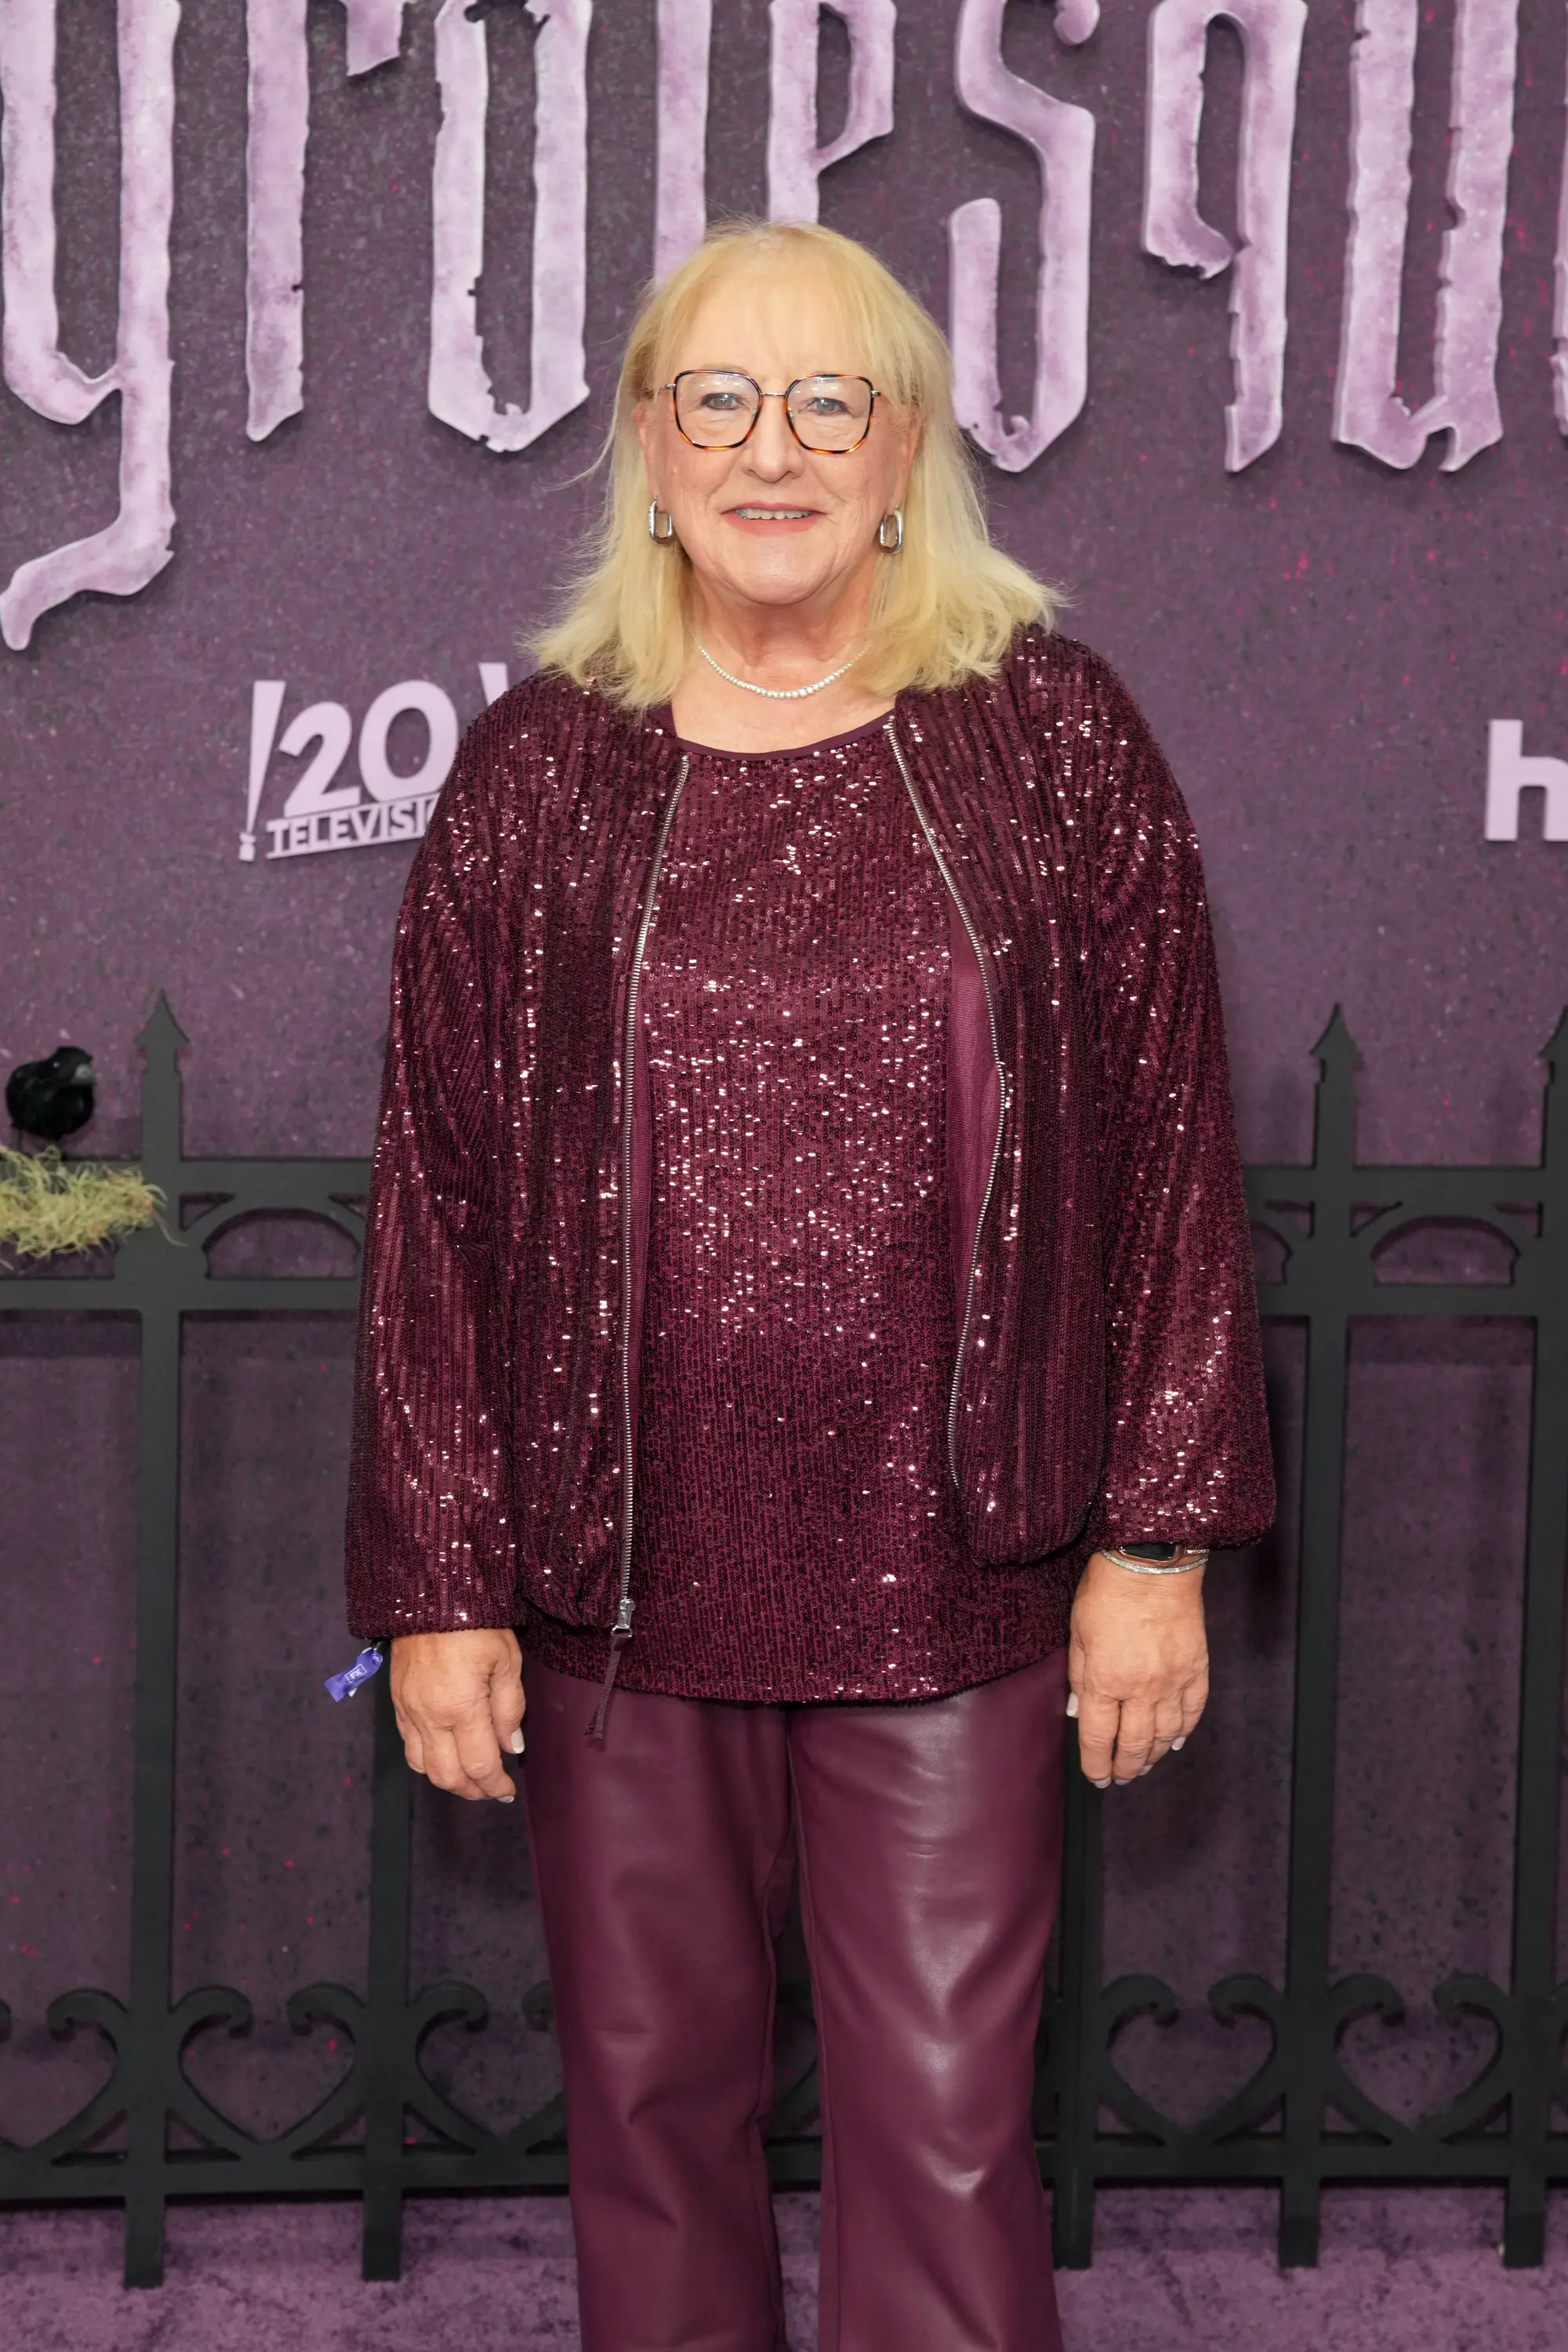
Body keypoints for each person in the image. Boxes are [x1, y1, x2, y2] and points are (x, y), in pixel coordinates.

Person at [344, 220, 1273, 2352]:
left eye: (827, 400)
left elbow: (1163, 1149)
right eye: (724, 402)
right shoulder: (541, 769)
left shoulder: (1047, 736)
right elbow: (444, 1198)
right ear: (652, 449)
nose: (775, 450)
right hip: (613, 1582)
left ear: (907, 443)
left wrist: (1155, 1543)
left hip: (952, 1572)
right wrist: (444, 1578)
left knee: (945, 2123)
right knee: (649, 2109)